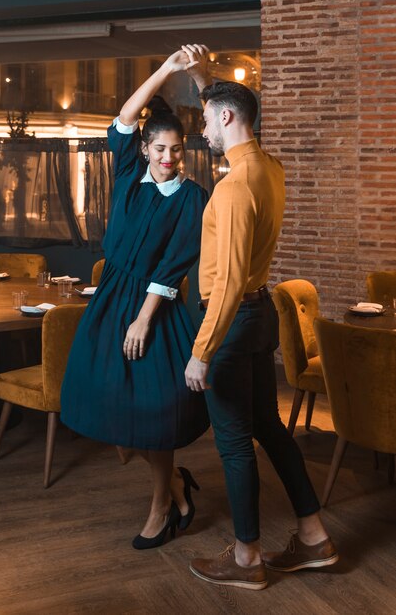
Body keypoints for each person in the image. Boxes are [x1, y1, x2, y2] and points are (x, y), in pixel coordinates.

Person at [183, 49, 338, 590]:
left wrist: (202, 350)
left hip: (230, 323)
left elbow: (224, 282)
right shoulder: (269, 168)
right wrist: (205, 82)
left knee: (233, 443)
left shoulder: (231, 188)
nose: (201, 130)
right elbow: (232, 111)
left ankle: (246, 561)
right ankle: (314, 537)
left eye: (206, 120)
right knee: (270, 429)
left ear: (226, 118)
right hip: (259, 316)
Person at [61, 48, 210, 550]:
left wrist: (144, 321)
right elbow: (125, 118)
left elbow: (172, 268)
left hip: (154, 309)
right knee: (110, 411)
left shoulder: (192, 198)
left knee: (153, 415)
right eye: (161, 149)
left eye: (177, 150)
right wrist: (168, 71)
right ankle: (175, 485)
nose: (169, 158)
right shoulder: (127, 174)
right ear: (145, 149)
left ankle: (161, 505)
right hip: (109, 303)